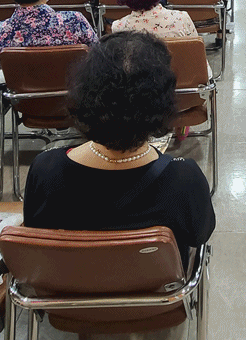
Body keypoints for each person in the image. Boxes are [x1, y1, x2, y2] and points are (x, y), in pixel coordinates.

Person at [23, 31, 215, 269]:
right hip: (156, 293)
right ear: (162, 103)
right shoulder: (185, 179)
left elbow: (35, 234)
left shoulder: (45, 170)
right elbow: (199, 235)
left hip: (68, 290)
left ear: (84, 94)